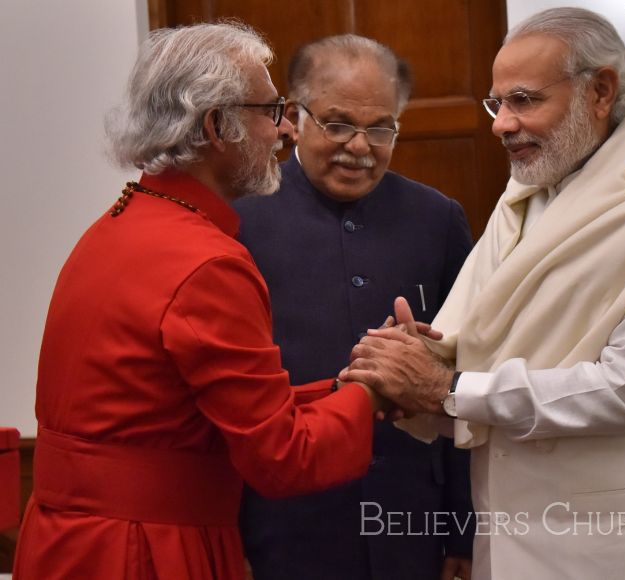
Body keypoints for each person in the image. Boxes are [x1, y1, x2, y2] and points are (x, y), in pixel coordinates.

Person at [344, 8, 625, 580]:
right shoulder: (524, 195)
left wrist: (448, 387)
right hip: (516, 543)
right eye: (496, 103)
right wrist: (414, 359)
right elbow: (482, 338)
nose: (502, 124)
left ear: (600, 90)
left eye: (525, 100)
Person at [13, 22, 386, 580]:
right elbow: (283, 456)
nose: (284, 129)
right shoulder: (208, 262)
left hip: (71, 542)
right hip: (145, 552)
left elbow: (200, 412)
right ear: (217, 125)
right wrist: (373, 389)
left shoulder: (117, 225)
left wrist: (340, 390)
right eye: (271, 109)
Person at [234, 34, 475, 580]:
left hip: (411, 521)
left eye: (381, 128)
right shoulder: (240, 219)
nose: (360, 147)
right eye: (338, 123)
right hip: (284, 525)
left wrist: (463, 527)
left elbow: (468, 369)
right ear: (295, 117)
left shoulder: (437, 219)